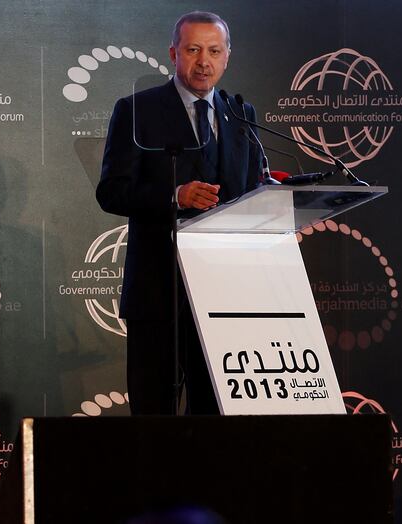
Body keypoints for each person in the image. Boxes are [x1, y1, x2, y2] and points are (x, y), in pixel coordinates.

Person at [97, 11, 263, 415]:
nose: (203, 61)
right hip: (158, 293)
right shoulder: (138, 110)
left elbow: (253, 188)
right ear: (173, 53)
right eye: (192, 50)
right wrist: (175, 195)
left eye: (213, 51)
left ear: (227, 57)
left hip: (225, 297)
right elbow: (111, 192)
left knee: (216, 421)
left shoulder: (241, 115)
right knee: (154, 422)